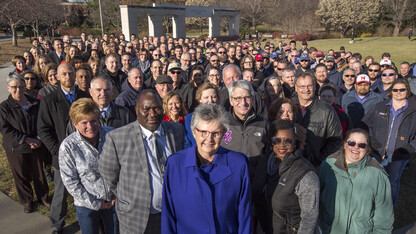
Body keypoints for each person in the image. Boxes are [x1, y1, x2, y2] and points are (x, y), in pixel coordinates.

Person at [99, 89, 185, 233]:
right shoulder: (118, 138)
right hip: (136, 216)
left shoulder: (176, 130)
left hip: (172, 212)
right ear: (137, 110)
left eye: (156, 108)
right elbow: (107, 172)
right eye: (146, 109)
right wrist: (127, 194)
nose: (152, 114)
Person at [162, 104, 253, 233]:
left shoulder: (238, 164)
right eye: (203, 132)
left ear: (223, 134)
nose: (209, 139)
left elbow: (245, 216)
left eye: (216, 133)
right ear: (194, 132)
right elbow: (168, 215)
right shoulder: (175, 164)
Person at [37, 63, 90, 233]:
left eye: (71, 73)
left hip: (85, 153)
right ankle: (57, 224)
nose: (68, 77)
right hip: (61, 155)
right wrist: (57, 150)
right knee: (61, 192)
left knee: (87, 189)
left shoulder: (84, 96)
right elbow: (43, 129)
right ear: (57, 77)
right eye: (64, 74)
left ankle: (89, 220)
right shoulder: (49, 100)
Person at [59, 98, 118, 234]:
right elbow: (70, 182)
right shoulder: (68, 146)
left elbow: (124, 167)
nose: (90, 127)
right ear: (75, 124)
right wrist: (96, 204)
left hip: (113, 202)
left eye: (93, 121)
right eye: (84, 123)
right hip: (87, 206)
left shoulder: (112, 135)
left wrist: (117, 194)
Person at [319, 129, 394, 233]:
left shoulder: (377, 175)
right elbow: (316, 200)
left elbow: (384, 216)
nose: (356, 147)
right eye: (351, 143)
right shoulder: (328, 165)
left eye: (362, 145)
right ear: (345, 144)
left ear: (368, 149)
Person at [253, 119, 319, 234]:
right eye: (277, 140)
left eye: (288, 141)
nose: (282, 145)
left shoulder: (305, 174)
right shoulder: (266, 162)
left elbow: (309, 218)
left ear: (296, 142)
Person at [362, 79, 416, 207]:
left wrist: (410, 147)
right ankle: (371, 207)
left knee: (392, 183)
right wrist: (371, 141)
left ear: (407, 91)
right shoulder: (380, 106)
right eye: (395, 90)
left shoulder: (413, 111)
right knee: (373, 181)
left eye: (402, 89)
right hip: (377, 151)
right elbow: (366, 124)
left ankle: (388, 211)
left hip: (399, 154)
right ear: (391, 91)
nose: (398, 92)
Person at [0, 74, 49, 213]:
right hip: (16, 147)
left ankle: (43, 197)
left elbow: (43, 122)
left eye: (21, 86)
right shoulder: (4, 108)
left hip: (37, 144)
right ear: (8, 88)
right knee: (21, 174)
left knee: (39, 172)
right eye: (14, 87)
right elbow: (5, 129)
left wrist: (38, 138)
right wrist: (26, 139)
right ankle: (27, 200)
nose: (18, 90)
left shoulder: (35, 103)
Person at [294, 72, 343, 167]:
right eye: (302, 86)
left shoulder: (327, 110)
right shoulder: (290, 109)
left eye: (309, 86)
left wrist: (319, 160)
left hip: (317, 166)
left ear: (315, 87)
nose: (306, 90)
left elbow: (336, 140)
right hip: (294, 166)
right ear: (296, 88)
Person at [184, 82, 221, 148]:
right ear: (200, 99)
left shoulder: (224, 118)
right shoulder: (190, 118)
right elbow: (188, 143)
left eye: (214, 97)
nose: (210, 101)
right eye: (206, 97)